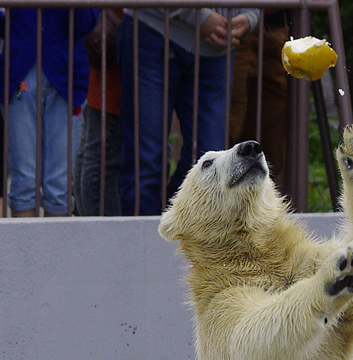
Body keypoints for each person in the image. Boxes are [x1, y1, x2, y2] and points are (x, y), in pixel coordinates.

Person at [117, 7, 259, 216]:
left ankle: (170, 231)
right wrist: (197, 15)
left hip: (216, 49)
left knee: (210, 164)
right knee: (145, 161)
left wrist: (251, 15)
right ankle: (140, 242)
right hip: (153, 29)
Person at [0, 7, 98, 217]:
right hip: (20, 71)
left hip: (65, 76)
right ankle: (23, 249)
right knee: (23, 182)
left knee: (59, 187)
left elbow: (85, 24)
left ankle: (57, 250)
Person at [229, 10, 289, 185]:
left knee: (271, 151)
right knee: (227, 132)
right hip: (234, 21)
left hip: (277, 22)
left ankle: (255, 207)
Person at [74, 9, 124, 216]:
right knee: (100, 158)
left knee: (91, 153)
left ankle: (90, 224)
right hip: (111, 70)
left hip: (104, 63)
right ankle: (100, 227)